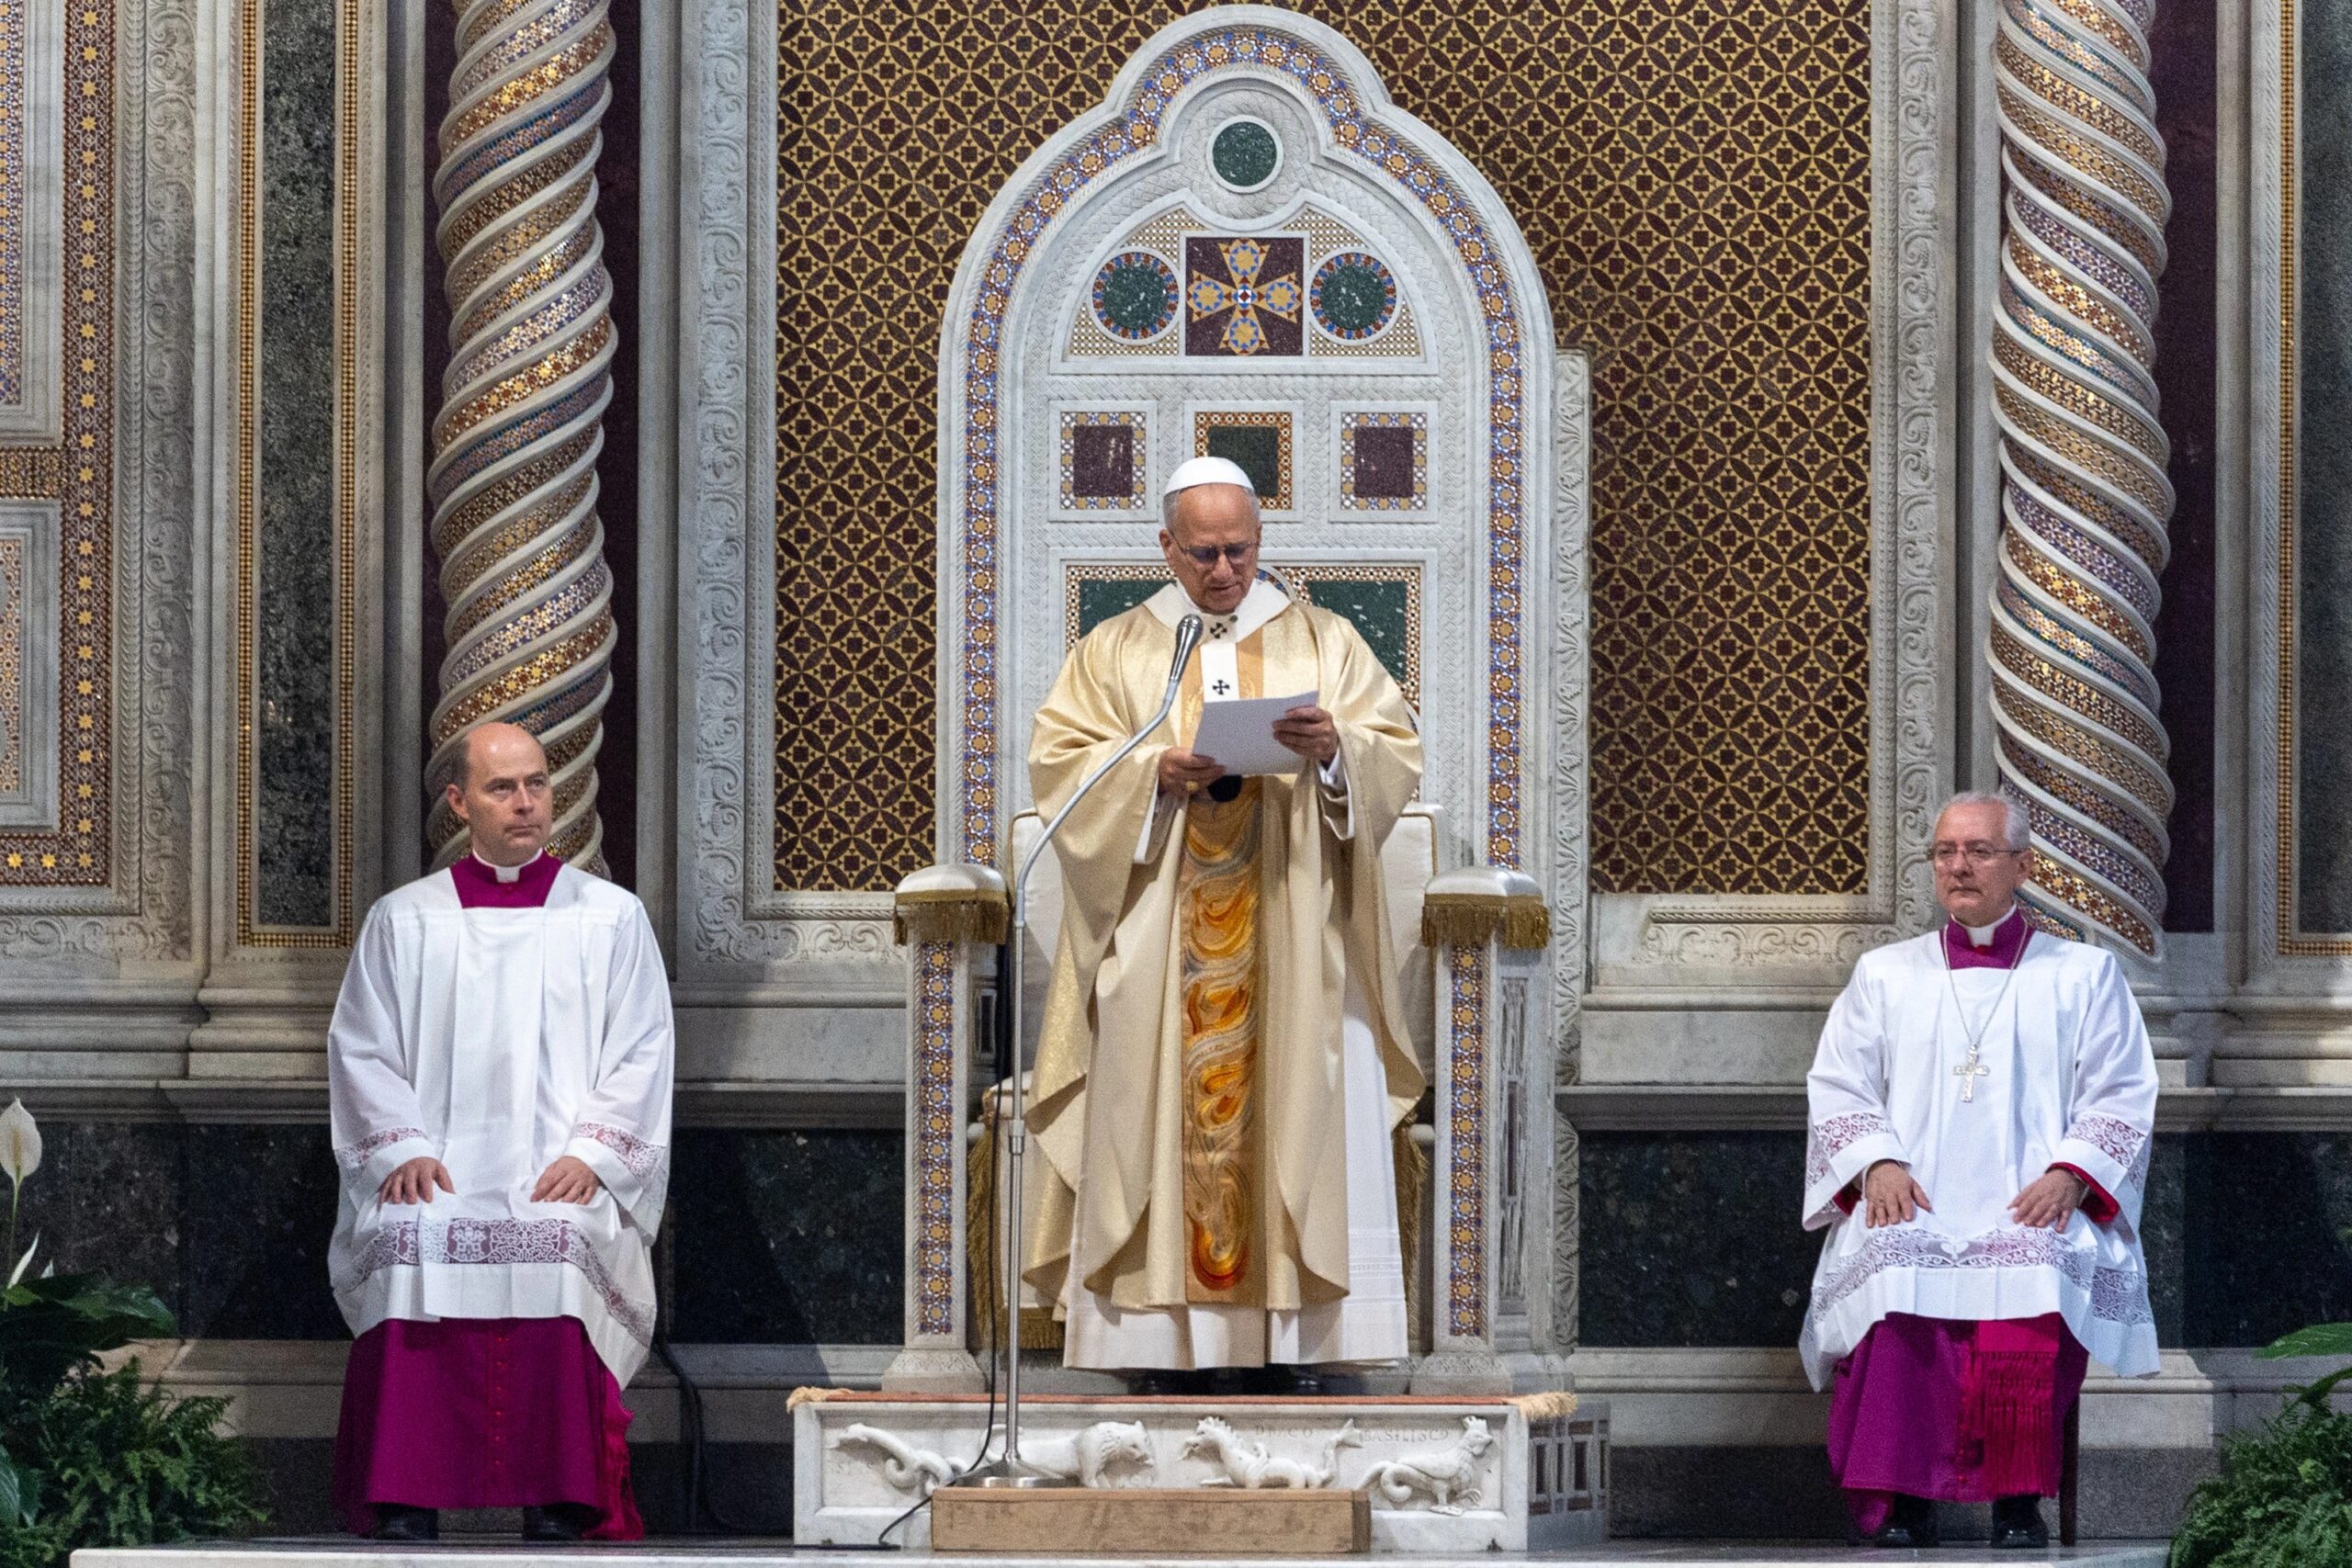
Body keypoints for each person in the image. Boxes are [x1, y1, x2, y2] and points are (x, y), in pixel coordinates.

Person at [1023, 455, 1423, 1390]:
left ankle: (1290, 1348)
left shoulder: (1322, 640)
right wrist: (1145, 778)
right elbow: (1061, 771)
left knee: (1302, 1093)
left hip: (1290, 927)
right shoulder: (1118, 650)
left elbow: (1391, 752)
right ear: (1165, 547)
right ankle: (1155, 1349)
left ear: (1259, 542)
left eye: (1239, 551)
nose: (1223, 572)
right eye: (1202, 553)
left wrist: (1333, 755)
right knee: (1148, 1109)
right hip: (1160, 939)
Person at [326, 722, 673, 1541]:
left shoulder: (610, 919)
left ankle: (560, 1496)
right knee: (411, 1235)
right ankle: (405, 1495)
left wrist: (592, 1155)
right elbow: (362, 1047)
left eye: (537, 784)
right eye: (502, 787)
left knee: (557, 1241)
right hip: (436, 1166)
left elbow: (643, 1048)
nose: (526, 804)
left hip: (555, 1168)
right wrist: (401, 1148)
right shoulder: (404, 921)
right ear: (459, 800)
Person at [1799, 790, 2158, 1548]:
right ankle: (1904, 1499)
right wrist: (1876, 1163)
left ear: (2022, 866)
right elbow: (1839, 1084)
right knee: (1892, 1269)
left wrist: (2073, 1174)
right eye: (1946, 852)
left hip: (2032, 1201)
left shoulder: (2084, 975)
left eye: (1979, 851)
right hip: (1915, 1198)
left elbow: (2122, 1089)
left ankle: (2017, 1499)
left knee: (2034, 1271)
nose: (1959, 866)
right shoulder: (1885, 974)